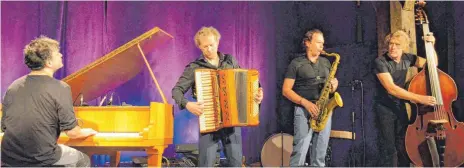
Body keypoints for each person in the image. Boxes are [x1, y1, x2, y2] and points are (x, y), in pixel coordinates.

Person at [171, 26, 264, 167]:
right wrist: (188, 104)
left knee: (236, 163)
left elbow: (247, 83)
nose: (209, 49)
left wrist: (257, 93)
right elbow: (176, 90)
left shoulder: (230, 61)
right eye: (205, 46)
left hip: (232, 122)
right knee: (206, 164)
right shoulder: (194, 67)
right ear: (200, 47)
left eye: (211, 45)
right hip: (209, 122)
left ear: (217, 42)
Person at [1, 36, 97, 167]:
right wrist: (87, 131)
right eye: (57, 53)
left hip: (8, 158)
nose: (61, 55)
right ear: (49, 63)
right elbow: (73, 133)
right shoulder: (60, 87)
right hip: (41, 158)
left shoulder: (13, 86)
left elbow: (5, 126)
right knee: (83, 160)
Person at [374, 30, 437, 166]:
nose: (393, 47)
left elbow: (432, 65)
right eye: (391, 44)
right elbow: (391, 89)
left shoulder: (407, 58)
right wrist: (420, 98)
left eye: (397, 44)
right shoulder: (380, 62)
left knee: (403, 146)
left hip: (399, 106)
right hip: (384, 109)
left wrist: (431, 45)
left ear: (403, 47)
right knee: (389, 149)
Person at [282, 29, 339, 167]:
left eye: (323, 43)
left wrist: (334, 85)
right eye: (318, 42)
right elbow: (286, 90)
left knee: (320, 155)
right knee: (300, 153)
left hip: (323, 110)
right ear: (307, 43)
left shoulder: (326, 62)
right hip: (303, 110)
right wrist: (305, 103)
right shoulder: (296, 63)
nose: (322, 46)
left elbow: (330, 87)